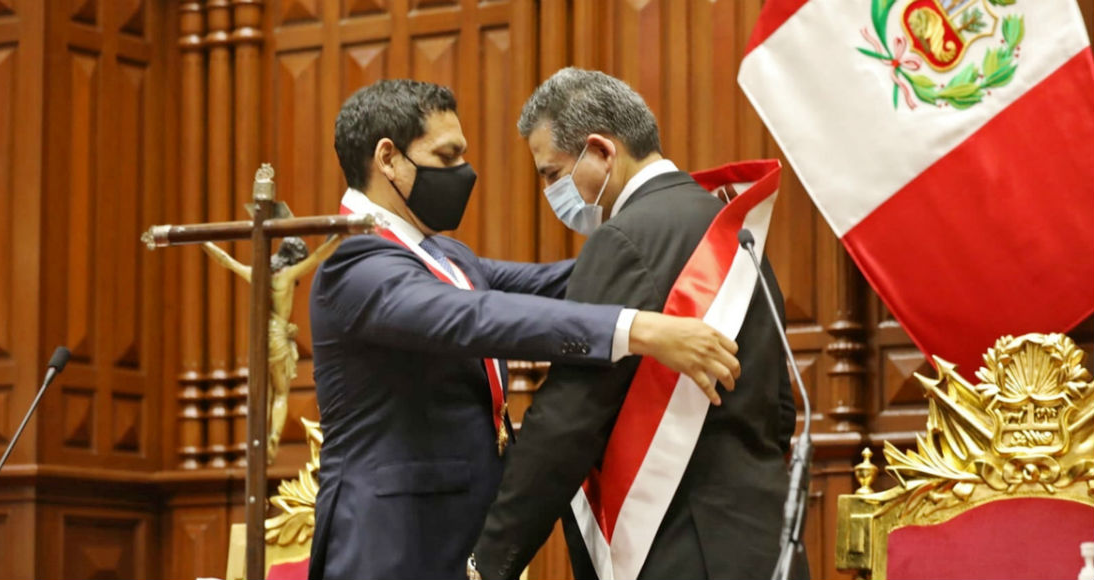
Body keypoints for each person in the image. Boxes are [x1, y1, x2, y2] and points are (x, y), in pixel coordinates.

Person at [307, 79, 745, 580]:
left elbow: (562, 280)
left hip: (462, 534)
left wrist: (665, 223)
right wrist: (639, 329)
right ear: (388, 159)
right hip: (393, 544)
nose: (463, 173)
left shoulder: (442, 254)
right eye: (446, 156)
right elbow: (475, 318)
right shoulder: (353, 264)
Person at [469, 68, 802, 579]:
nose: (550, 192)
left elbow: (568, 419)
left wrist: (490, 562)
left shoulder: (623, 239)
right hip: (765, 544)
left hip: (680, 551)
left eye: (552, 173)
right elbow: (780, 408)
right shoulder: (730, 226)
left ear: (602, 152)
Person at [201, 235, 342, 462]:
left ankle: (259, 436)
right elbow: (318, 257)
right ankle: (273, 436)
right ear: (294, 259)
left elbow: (225, 260)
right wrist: (339, 238)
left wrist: (204, 242)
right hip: (278, 335)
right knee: (280, 393)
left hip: (259, 336)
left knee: (262, 393)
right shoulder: (287, 276)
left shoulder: (257, 274)